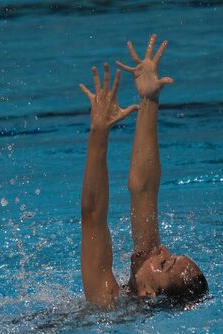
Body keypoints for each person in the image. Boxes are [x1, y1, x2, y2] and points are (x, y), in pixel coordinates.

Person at [79, 34, 208, 307]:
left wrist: (99, 133)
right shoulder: (147, 270)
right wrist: (149, 99)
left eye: (164, 262)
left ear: (149, 294)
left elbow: (92, 215)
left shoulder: (107, 302)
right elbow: (144, 190)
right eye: (170, 253)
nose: (161, 249)